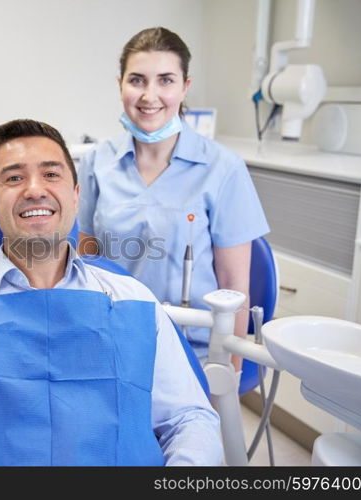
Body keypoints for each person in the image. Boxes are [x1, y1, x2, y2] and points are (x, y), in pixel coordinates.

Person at [0, 119, 223, 466]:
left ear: (75, 196)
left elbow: (189, 419)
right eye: (14, 178)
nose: (34, 189)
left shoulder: (134, 302)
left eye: (51, 174)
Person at [77, 27, 269, 366]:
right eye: (137, 80)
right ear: (120, 84)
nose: (150, 95)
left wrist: (228, 370)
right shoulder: (97, 162)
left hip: (194, 347)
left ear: (185, 87)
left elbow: (234, 284)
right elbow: (88, 262)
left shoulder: (223, 168)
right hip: (113, 340)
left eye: (165, 80)